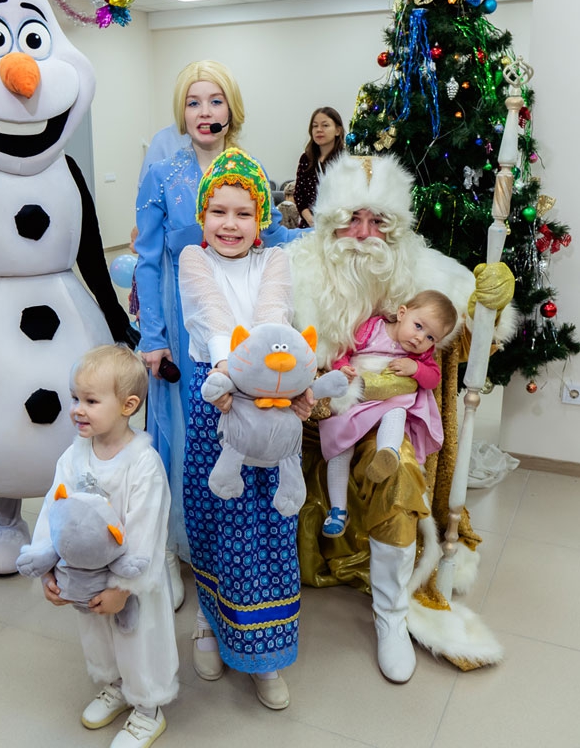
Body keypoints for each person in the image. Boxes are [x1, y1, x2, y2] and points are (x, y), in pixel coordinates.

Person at [286, 152, 516, 683]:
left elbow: (476, 329)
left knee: (401, 476)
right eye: (353, 219)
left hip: (390, 413)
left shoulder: (423, 269)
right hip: (311, 417)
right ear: (330, 221)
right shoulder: (296, 268)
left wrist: (492, 305)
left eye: (379, 221)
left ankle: (390, 614)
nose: (365, 234)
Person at [134, 59, 303, 580]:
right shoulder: (162, 175)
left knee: (242, 421)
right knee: (188, 427)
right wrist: (153, 335)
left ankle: (238, 544)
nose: (204, 112)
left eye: (215, 100)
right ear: (181, 113)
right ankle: (174, 543)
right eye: (193, 102)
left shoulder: (250, 167)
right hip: (183, 311)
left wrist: (330, 235)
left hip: (246, 312)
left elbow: (273, 236)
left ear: (232, 110)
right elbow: (147, 258)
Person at [178, 147, 297, 710]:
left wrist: (261, 379)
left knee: (267, 523)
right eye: (218, 212)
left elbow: (274, 317)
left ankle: (265, 651)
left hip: (271, 398)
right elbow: (213, 317)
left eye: (243, 213)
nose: (230, 224)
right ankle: (209, 618)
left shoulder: (275, 262)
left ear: (261, 218)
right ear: (203, 216)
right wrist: (232, 373)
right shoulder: (192, 258)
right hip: (216, 397)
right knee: (218, 514)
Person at [25, 344, 178, 748]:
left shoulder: (143, 464)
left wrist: (123, 588)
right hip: (84, 578)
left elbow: (147, 530)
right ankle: (115, 686)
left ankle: (148, 707)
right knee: (97, 635)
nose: (77, 409)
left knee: (138, 640)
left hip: (131, 584)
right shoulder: (73, 456)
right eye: (75, 398)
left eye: (91, 401)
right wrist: (46, 567)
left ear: (128, 405)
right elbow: (54, 508)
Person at [321, 289, 458, 538]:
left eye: (430, 337)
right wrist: (343, 368)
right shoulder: (371, 329)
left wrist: (416, 368)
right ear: (402, 313)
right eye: (418, 326)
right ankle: (338, 510)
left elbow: (433, 379)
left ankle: (388, 452)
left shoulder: (420, 355)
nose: (420, 338)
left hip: (387, 401)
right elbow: (342, 351)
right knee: (339, 450)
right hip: (357, 399)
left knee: (397, 410)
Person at [293, 106, 344, 227]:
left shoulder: (345, 160)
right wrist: (310, 220)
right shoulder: (306, 159)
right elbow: (299, 195)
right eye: (315, 126)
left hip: (337, 225)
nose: (319, 130)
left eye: (325, 125)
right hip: (309, 225)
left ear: (338, 130)